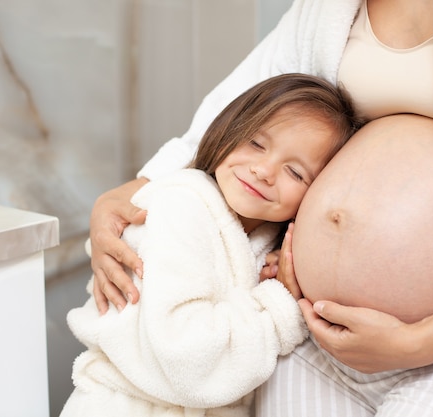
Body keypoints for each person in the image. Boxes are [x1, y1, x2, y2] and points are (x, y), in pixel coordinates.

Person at [88, 1, 433, 416]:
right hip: (313, 338)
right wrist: (127, 196)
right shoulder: (326, 9)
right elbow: (237, 118)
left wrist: (423, 340)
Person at [60, 73, 359, 417]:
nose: (264, 170)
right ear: (228, 129)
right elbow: (187, 361)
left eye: (295, 172)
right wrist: (279, 305)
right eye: (256, 144)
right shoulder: (181, 206)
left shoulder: (258, 241)